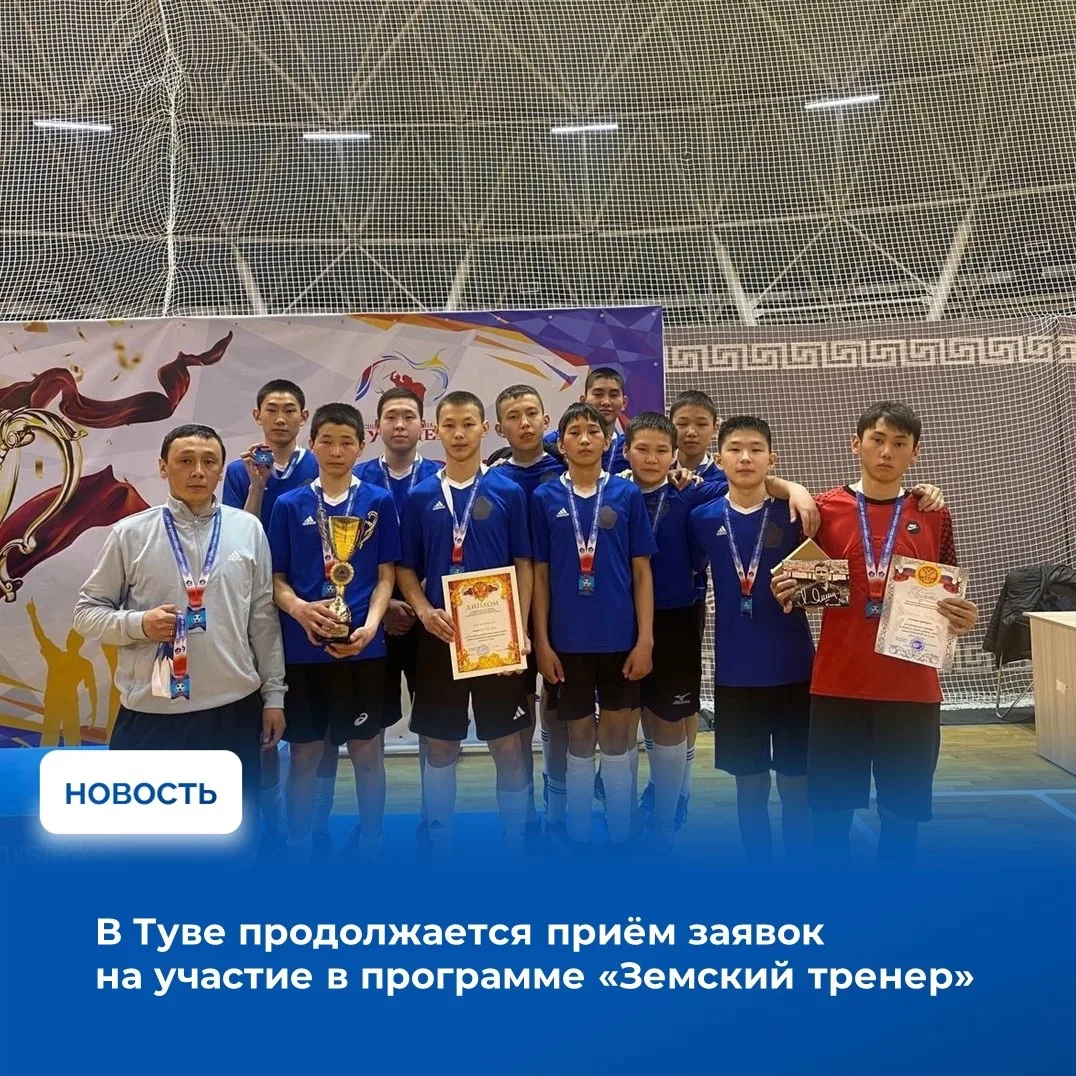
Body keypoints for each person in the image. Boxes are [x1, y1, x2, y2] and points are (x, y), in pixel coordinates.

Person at [772, 401, 978, 867]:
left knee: (901, 820)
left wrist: (961, 616)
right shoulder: (823, 509)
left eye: (900, 444)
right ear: (856, 444)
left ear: (915, 453)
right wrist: (786, 587)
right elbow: (799, 586)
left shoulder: (934, 513)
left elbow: (949, 589)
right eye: (878, 440)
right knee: (830, 819)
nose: (887, 452)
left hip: (912, 690)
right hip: (838, 686)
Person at [73, 423, 286, 837]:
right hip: (153, 715)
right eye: (185, 461)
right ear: (162, 467)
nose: (198, 472)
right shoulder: (131, 534)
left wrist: (274, 696)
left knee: (231, 838)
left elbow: (262, 619)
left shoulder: (248, 529)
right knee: (148, 843)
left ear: (221, 470)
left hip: (232, 710)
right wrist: (139, 624)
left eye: (209, 462)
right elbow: (86, 613)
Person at [397, 390, 534, 853]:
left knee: (507, 744)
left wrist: (519, 629)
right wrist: (423, 610)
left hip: (497, 639)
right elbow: (405, 568)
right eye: (450, 425)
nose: (459, 434)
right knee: (440, 745)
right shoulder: (420, 496)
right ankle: (439, 840)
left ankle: (515, 840)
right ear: (436, 430)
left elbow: (524, 563)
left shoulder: (509, 491)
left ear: (484, 429)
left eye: (468, 424)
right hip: (441, 637)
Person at [268, 402, 399, 861]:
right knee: (305, 754)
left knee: (367, 752)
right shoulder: (289, 504)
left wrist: (370, 626)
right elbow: (275, 579)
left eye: (346, 442)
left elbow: (386, 575)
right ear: (312, 444)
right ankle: (299, 848)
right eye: (327, 441)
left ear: (361, 445)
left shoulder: (378, 501)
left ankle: (373, 844)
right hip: (304, 651)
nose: (337, 450)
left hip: (364, 650)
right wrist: (301, 610)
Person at [690, 416, 815, 864]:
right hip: (736, 672)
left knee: (797, 781)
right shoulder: (701, 518)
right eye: (735, 449)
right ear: (718, 458)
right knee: (750, 783)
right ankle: (760, 874)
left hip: (795, 667)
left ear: (771, 459)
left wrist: (796, 490)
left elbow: (826, 583)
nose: (745, 458)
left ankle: (800, 872)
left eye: (756, 449)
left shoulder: (797, 513)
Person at [532, 403, 656, 846]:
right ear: (560, 443)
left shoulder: (627, 495)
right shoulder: (544, 498)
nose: (584, 439)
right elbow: (540, 576)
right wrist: (542, 642)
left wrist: (645, 640)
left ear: (607, 442)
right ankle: (579, 835)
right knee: (579, 734)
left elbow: (642, 573)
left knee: (619, 734)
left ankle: (620, 833)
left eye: (593, 431)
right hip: (567, 642)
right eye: (575, 432)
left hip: (621, 639)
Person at [222, 378, 318, 853]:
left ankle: (309, 824)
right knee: (260, 725)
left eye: (289, 410)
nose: (280, 418)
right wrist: (257, 485)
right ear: (257, 415)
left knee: (311, 729)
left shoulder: (319, 463)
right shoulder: (240, 470)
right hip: (253, 602)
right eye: (272, 409)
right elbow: (237, 533)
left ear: (304, 416)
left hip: (307, 602)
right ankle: (269, 822)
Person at [621, 412, 720, 846]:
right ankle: (623, 822)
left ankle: (665, 823)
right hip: (619, 621)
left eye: (662, 450)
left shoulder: (691, 493)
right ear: (625, 451)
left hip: (677, 618)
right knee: (623, 721)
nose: (651, 458)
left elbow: (750, 485)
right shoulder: (613, 494)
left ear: (675, 455)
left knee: (669, 718)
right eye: (642, 449)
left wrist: (795, 491)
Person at [353, 385, 440, 842]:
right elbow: (348, 559)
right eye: (391, 417)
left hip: (431, 619)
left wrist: (421, 604)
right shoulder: (357, 479)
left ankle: (432, 819)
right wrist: (384, 605)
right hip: (377, 619)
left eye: (409, 416)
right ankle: (372, 831)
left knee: (432, 725)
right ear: (377, 426)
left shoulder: (443, 475)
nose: (400, 425)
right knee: (371, 728)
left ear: (423, 425)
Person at [489, 384, 567, 842]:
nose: (524, 422)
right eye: (514, 416)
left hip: (563, 607)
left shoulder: (567, 469)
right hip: (508, 610)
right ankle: (525, 816)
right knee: (517, 716)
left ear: (545, 419)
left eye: (531, 413)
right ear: (500, 428)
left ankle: (557, 809)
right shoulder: (491, 475)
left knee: (558, 712)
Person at [27, 600, 97, 747]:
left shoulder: (64, 658)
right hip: (57, 701)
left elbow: (92, 688)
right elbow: (41, 637)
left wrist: (94, 710)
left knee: (68, 736)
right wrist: (32, 615)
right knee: (54, 735)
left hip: (65, 702)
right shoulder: (59, 657)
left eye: (71, 638)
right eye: (69, 638)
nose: (68, 640)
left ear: (78, 643)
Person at [543, 367, 630, 474]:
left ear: (624, 403)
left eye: (614, 395)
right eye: (598, 394)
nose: (606, 402)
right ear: (583, 400)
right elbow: (538, 443)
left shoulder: (629, 445)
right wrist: (564, 453)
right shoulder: (562, 438)